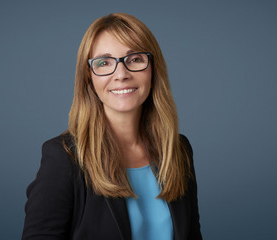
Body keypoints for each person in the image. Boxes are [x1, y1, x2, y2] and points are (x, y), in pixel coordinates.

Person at [22, 13, 202, 240]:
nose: (121, 74)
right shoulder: (63, 158)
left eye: (135, 59)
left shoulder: (179, 150)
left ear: (153, 68)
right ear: (89, 77)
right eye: (103, 63)